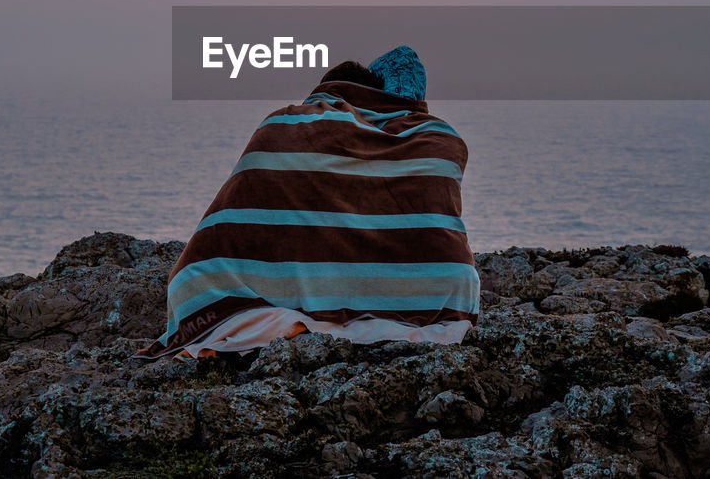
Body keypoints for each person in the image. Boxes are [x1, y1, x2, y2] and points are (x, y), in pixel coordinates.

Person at [135, 45, 479, 359]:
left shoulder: (286, 124)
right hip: (442, 295)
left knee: (193, 281)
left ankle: (281, 324)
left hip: (360, 291)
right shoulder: (441, 138)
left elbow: (231, 230)